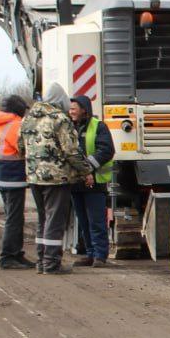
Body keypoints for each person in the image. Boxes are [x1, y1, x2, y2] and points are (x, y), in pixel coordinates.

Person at [18, 84, 92, 274]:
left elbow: (20, 146)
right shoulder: (60, 119)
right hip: (56, 178)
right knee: (54, 220)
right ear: (61, 101)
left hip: (34, 177)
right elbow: (71, 151)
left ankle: (42, 261)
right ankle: (51, 264)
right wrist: (86, 171)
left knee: (43, 219)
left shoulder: (28, 119)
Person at [0, 95, 36, 269]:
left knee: (13, 217)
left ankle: (16, 254)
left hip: (0, 176)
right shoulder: (15, 125)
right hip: (13, 177)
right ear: (19, 110)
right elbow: (25, 149)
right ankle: (8, 257)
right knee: (14, 219)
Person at [67, 95, 115, 267]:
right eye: (70, 108)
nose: (70, 111)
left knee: (96, 221)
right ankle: (90, 254)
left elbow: (107, 150)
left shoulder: (99, 127)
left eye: (74, 108)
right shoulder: (68, 127)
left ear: (84, 109)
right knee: (83, 221)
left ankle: (100, 255)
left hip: (95, 182)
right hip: (76, 183)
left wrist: (86, 167)